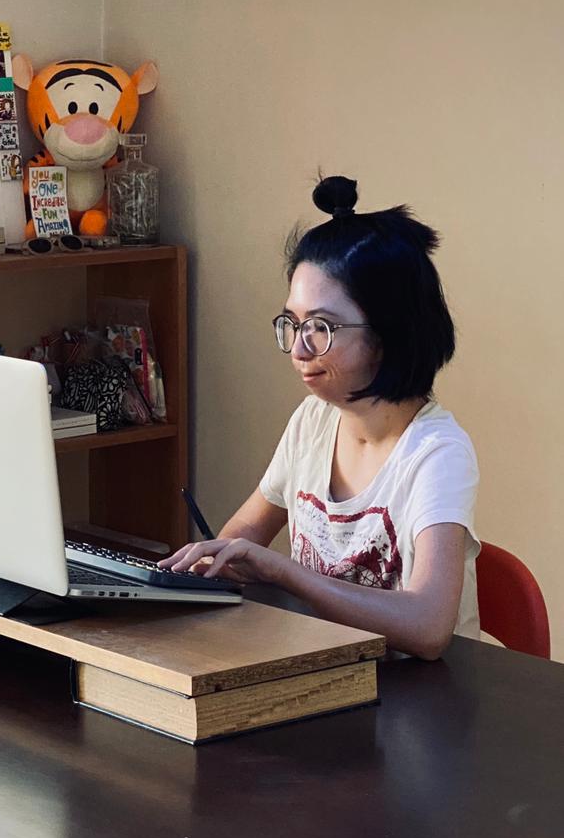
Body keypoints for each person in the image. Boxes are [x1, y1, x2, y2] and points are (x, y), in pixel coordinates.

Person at [163, 175, 480, 658]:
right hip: (327, 680)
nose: (298, 347)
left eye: (323, 327)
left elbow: (430, 628)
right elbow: (243, 534)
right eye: (293, 322)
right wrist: (215, 559)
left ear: (388, 333)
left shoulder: (437, 452)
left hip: (423, 705)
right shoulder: (313, 421)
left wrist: (282, 570)